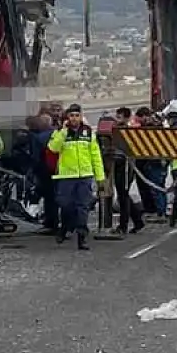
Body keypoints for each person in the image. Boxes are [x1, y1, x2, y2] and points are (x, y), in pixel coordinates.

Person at [47, 103, 105, 249]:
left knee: (83, 207)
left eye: (77, 115)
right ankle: (64, 227)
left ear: (81, 116)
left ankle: (82, 237)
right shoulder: (60, 132)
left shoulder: (88, 133)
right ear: (67, 117)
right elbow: (53, 148)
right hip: (66, 176)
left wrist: (100, 178)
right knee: (66, 205)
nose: (74, 118)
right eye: (71, 116)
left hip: (85, 176)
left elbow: (96, 156)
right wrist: (63, 132)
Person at [110, 107, 146, 235]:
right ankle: (137, 221)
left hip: (126, 165)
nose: (117, 119)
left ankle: (123, 226)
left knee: (123, 195)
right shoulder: (116, 130)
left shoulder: (128, 132)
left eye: (119, 117)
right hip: (119, 164)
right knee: (123, 194)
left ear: (126, 118)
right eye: (117, 117)